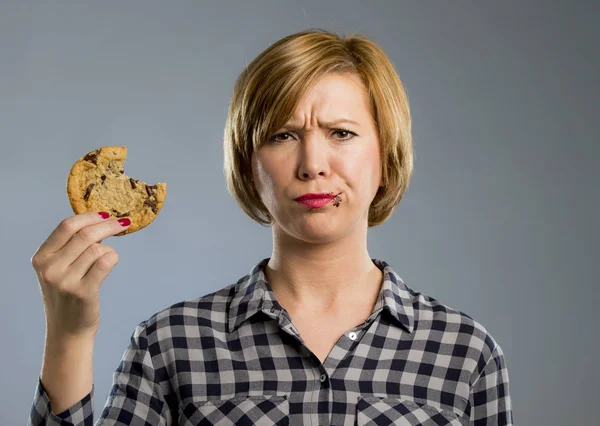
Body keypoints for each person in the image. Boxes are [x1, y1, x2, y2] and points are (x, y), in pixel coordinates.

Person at [28, 28, 513, 425]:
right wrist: (69, 336)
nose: (312, 164)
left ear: (386, 156)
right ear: (247, 164)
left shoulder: (466, 354)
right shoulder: (170, 344)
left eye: (341, 133)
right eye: (283, 135)